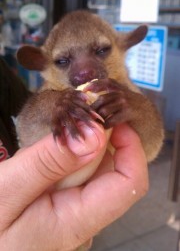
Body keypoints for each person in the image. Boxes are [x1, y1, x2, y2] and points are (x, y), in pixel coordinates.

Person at [0, 56, 148, 250]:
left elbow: (150, 146)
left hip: (64, 207)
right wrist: (54, 103)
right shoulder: (50, 87)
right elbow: (28, 124)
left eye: (101, 51)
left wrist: (137, 107)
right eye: (62, 61)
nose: (86, 71)